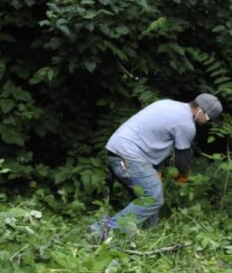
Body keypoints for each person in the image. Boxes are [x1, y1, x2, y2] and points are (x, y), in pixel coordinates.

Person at [89, 93, 222, 240]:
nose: (207, 123)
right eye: (209, 119)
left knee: (147, 201)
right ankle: (100, 230)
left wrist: (156, 172)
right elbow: (182, 157)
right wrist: (184, 175)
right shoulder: (186, 125)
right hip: (129, 155)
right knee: (153, 197)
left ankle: (147, 238)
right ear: (200, 110)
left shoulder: (169, 104)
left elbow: (154, 140)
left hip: (120, 149)